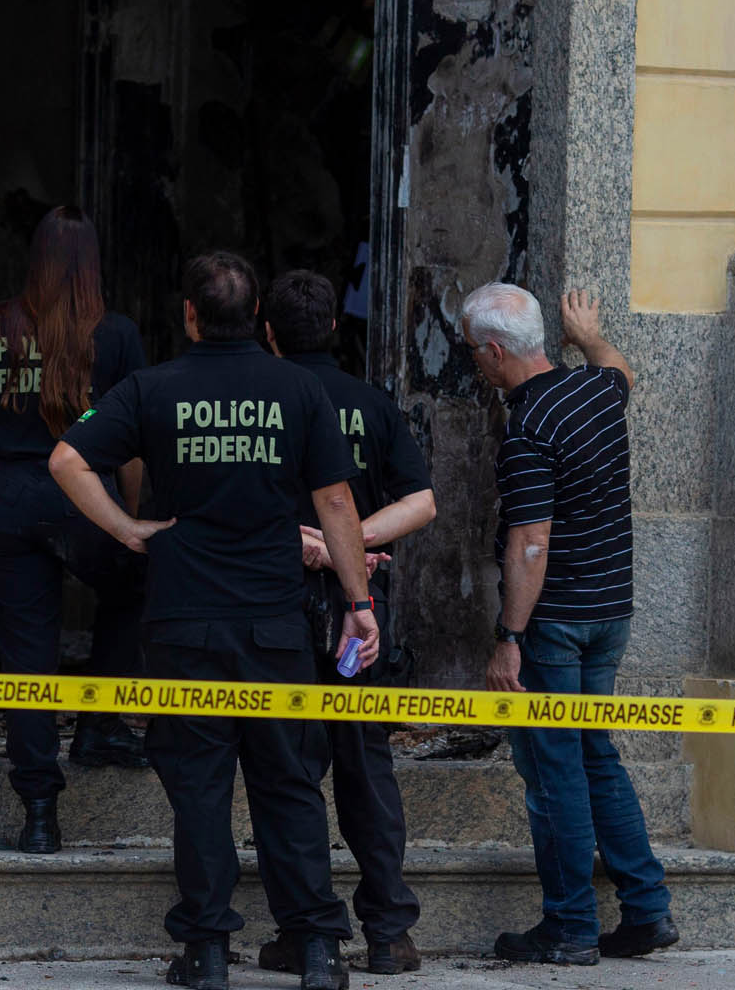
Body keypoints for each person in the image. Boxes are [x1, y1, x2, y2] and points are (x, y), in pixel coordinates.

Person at [50, 251, 379, 990]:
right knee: (289, 781)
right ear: (259, 317)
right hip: (272, 622)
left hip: (183, 621)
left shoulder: (151, 387)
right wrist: (359, 605)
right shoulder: (297, 388)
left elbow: (67, 459)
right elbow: (335, 506)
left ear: (190, 317)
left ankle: (205, 953)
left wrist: (127, 529)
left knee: (198, 784)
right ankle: (317, 948)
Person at [0, 205, 149, 855]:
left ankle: (40, 812)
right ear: (93, 264)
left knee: (27, 658)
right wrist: (127, 514)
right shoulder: (118, 333)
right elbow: (129, 445)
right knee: (133, 587)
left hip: (9, 495)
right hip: (84, 495)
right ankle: (101, 724)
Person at [461, 283, 677, 966]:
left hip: (554, 622)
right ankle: (645, 910)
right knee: (595, 755)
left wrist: (510, 639)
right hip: (611, 611)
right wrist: (587, 333)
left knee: (552, 769)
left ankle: (570, 927)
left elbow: (531, 542)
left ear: (496, 352)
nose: (475, 365)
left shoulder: (528, 429)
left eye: (475, 354)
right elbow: (623, 368)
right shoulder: (595, 389)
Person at [258, 269, 436, 975]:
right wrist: (354, 543)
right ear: (335, 327)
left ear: (267, 333)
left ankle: (308, 933)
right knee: (366, 765)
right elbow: (421, 501)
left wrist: (322, 542)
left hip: (279, 603)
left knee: (290, 772)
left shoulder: (263, 405)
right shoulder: (371, 403)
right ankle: (389, 932)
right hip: (360, 606)